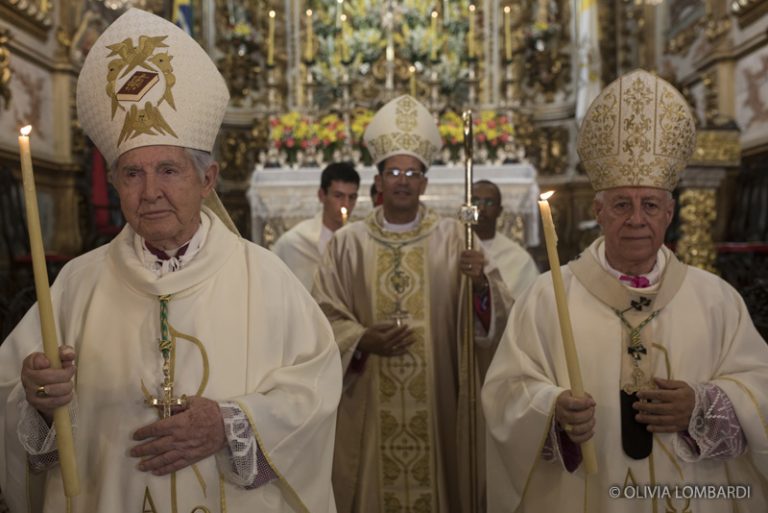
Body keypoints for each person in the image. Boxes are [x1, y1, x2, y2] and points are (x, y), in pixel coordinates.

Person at [0, 9, 341, 513]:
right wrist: (38, 402)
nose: (151, 192)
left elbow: (316, 391)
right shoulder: (77, 285)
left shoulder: (266, 278)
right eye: (132, 174)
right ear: (114, 184)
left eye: (168, 170)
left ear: (207, 180)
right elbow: (15, 400)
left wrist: (230, 425)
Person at [482, 69, 768, 512]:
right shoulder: (547, 298)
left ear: (669, 212)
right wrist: (552, 411)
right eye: (621, 204)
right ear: (598, 211)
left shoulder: (716, 300)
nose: (636, 219)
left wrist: (703, 405)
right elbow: (505, 395)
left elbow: (759, 387)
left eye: (650, 204)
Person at [312, 94, 513, 513]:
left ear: (424, 182)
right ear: (379, 180)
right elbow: (322, 315)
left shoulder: (457, 239)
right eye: (393, 171)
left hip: (438, 406)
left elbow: (497, 318)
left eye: (412, 172)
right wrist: (362, 339)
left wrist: (480, 286)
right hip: (368, 399)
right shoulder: (349, 244)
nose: (402, 179)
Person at [272, 162, 360, 290]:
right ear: (322, 195)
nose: (345, 204)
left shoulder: (359, 239)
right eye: (338, 196)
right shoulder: (295, 241)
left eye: (352, 197)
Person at [472, 179, 539, 299]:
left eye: (489, 203)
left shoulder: (519, 259)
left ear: (499, 211)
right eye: (475, 201)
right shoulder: (452, 249)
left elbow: (524, 307)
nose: (481, 208)